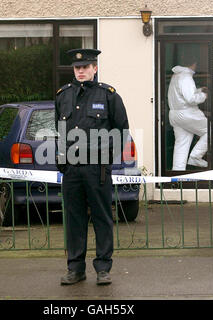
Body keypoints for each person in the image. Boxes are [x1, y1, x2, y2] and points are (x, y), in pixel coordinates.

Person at [55, 48, 129, 285]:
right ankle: (75, 269)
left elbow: (121, 131)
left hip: (97, 169)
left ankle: (103, 268)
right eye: (77, 68)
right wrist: (62, 159)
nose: (81, 71)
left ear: (94, 69)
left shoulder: (107, 96)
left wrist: (106, 156)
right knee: (74, 219)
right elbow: (60, 130)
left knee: (101, 218)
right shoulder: (63, 96)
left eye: (85, 67)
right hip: (73, 169)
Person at [167, 54, 213, 171]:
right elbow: (191, 99)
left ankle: (177, 176)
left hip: (175, 114)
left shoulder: (176, 76)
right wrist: (204, 95)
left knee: (181, 145)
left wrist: (198, 90)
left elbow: (181, 94)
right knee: (210, 130)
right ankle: (196, 156)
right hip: (187, 114)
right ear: (193, 64)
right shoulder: (186, 77)